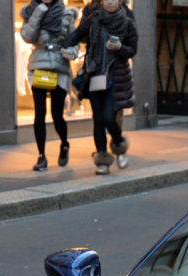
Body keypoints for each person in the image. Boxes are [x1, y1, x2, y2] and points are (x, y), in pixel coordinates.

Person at [64, 0, 137, 175]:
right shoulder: (93, 18)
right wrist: (67, 47)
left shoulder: (127, 21)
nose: (110, 1)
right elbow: (76, 34)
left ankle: (119, 145)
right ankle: (102, 160)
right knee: (98, 120)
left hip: (116, 77)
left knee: (108, 118)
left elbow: (133, 50)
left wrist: (120, 48)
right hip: (95, 74)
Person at [22, 0, 78, 171]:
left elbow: (74, 40)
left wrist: (72, 52)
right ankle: (41, 156)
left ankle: (64, 144)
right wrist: (38, 12)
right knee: (39, 112)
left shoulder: (66, 14)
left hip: (59, 66)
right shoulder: (31, 11)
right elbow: (27, 37)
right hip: (39, 65)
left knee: (56, 114)